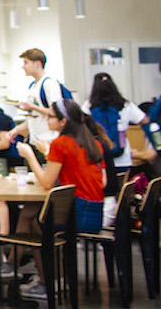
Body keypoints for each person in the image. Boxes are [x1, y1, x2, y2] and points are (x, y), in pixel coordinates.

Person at [14, 99, 107, 299]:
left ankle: (44, 281)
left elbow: (47, 182)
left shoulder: (61, 143)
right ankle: (45, 277)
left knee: (36, 225)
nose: (46, 118)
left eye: (50, 116)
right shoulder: (93, 143)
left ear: (63, 121)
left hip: (77, 216)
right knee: (31, 212)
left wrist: (30, 156)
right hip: (95, 213)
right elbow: (99, 180)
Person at [82, 73, 145, 225]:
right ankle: (121, 227)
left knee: (103, 194)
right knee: (122, 195)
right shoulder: (124, 105)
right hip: (123, 159)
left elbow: (81, 127)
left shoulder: (88, 106)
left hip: (99, 159)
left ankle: (102, 224)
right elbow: (144, 120)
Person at [14, 48, 66, 150]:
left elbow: (56, 112)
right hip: (35, 140)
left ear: (37, 64)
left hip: (49, 140)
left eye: (26, 63)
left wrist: (32, 107)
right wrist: (16, 130)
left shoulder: (49, 83)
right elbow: (34, 117)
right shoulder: (32, 86)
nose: (23, 67)